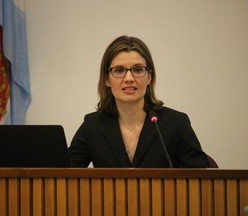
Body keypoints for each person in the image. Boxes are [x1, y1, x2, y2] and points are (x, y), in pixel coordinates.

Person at [68, 35, 210, 168]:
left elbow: (203, 181)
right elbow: (62, 173)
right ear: (106, 79)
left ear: (149, 77)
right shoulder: (93, 125)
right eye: (119, 70)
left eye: (137, 69)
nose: (129, 78)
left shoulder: (176, 124)